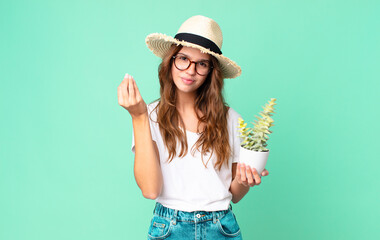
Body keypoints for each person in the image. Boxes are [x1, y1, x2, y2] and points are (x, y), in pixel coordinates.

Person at [118, 15, 269, 240]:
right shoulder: (148, 115)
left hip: (221, 228)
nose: (190, 70)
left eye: (201, 64)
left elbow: (234, 194)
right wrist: (139, 116)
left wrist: (244, 181)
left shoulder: (231, 120)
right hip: (169, 228)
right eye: (183, 59)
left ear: (211, 72)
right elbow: (150, 190)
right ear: (171, 60)